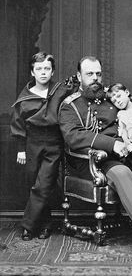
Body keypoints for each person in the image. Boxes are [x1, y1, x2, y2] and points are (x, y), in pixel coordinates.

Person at [58, 56, 132, 256]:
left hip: (129, 153)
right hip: (96, 161)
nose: (95, 78)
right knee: (122, 173)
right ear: (79, 76)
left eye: (98, 73)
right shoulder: (70, 105)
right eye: (89, 74)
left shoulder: (110, 96)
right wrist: (112, 144)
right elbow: (73, 137)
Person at [10, 52, 77, 241]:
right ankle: (45, 224)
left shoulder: (59, 90)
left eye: (47, 68)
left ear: (52, 70)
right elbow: (18, 124)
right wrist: (21, 149)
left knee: (44, 183)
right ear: (32, 72)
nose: (43, 72)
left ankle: (28, 226)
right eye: (38, 69)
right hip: (32, 143)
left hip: (54, 142)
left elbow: (75, 93)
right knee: (36, 185)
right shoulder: (24, 97)